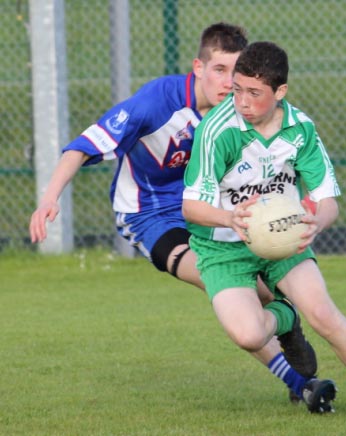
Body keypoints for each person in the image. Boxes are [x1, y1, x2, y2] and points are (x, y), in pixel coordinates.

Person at [29, 23, 326, 409]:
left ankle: (290, 335)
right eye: (218, 70)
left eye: (234, 73)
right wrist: (49, 197)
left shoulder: (239, 113)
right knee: (220, 283)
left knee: (261, 292)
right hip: (150, 214)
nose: (227, 83)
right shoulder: (157, 102)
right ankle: (300, 380)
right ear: (197, 67)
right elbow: (84, 147)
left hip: (208, 206)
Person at [182, 41, 346, 422]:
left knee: (324, 314)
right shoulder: (217, 130)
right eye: (237, 89)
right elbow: (191, 207)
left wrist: (315, 224)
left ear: (280, 92)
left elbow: (328, 202)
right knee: (249, 336)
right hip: (222, 247)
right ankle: (286, 316)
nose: (241, 101)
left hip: (285, 239)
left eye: (254, 93)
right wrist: (231, 220)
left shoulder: (301, 129)